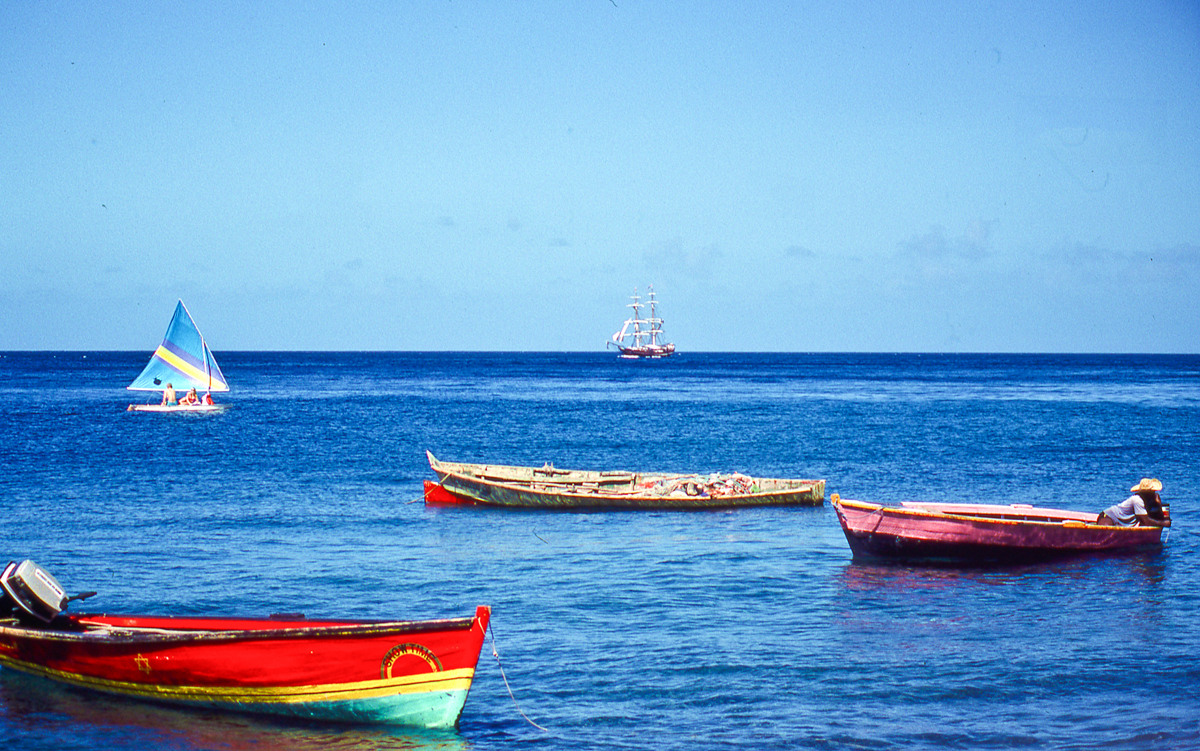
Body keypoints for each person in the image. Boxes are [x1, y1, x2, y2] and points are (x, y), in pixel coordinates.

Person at [1097, 478, 1171, 527]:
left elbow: (1159, 517)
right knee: (1106, 530)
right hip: (1108, 516)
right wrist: (1164, 523)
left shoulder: (1151, 499)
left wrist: (1158, 505)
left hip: (1123, 523)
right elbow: (1146, 522)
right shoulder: (1137, 500)